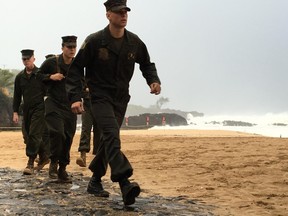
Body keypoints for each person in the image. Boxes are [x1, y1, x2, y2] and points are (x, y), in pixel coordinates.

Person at [66, 0, 161, 205]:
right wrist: (75, 97)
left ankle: (95, 181)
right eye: (118, 12)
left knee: (110, 140)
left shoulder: (134, 42)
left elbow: (146, 63)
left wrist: (153, 80)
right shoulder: (95, 41)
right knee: (111, 135)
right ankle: (125, 183)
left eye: (126, 11)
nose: (123, 15)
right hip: (98, 97)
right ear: (108, 15)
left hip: (120, 99)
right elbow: (75, 69)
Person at [39, 36, 78, 183]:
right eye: (69, 47)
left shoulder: (77, 65)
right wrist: (51, 77)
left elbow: (82, 83)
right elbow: (38, 76)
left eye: (74, 47)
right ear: (62, 48)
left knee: (68, 137)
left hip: (70, 106)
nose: (72, 49)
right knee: (57, 132)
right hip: (53, 102)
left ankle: (63, 168)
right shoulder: (51, 62)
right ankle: (53, 162)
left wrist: (80, 100)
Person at [13, 49, 50, 175]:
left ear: (33, 58)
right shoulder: (19, 77)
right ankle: (45, 155)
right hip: (26, 110)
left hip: (39, 108)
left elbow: (49, 91)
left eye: (28, 59)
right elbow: (17, 96)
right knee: (27, 136)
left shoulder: (40, 74)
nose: (26, 61)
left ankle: (30, 162)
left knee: (34, 134)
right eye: (24, 59)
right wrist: (15, 112)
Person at [76, 81, 101, 167]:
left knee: (99, 131)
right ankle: (83, 156)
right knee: (86, 128)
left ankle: (98, 158)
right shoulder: (84, 76)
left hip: (100, 104)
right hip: (87, 104)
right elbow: (79, 89)